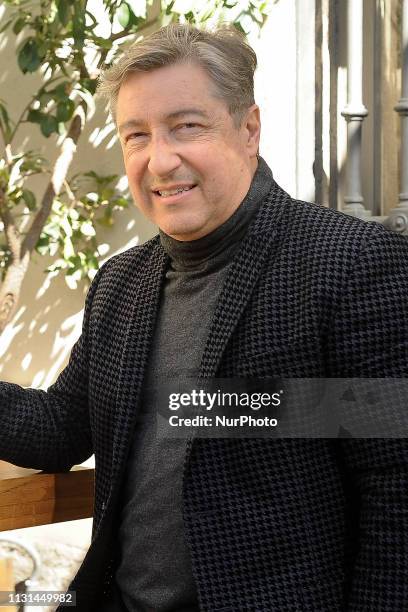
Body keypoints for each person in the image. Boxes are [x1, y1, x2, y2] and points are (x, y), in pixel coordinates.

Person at [1, 23, 408, 612]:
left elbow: (396, 497)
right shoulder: (121, 284)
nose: (160, 160)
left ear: (249, 130)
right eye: (135, 136)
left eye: (186, 127)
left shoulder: (352, 266)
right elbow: (61, 426)